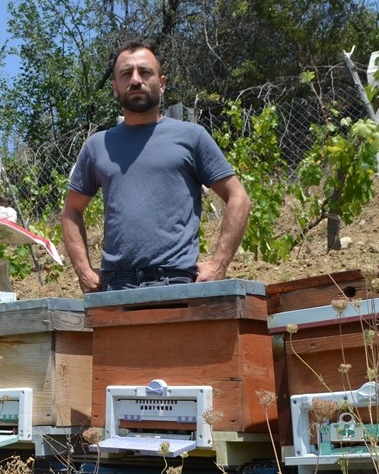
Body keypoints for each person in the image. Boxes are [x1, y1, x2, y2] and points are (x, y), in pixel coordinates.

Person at [61, 41, 251, 292]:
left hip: (177, 281)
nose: (136, 80)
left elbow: (239, 198)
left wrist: (218, 265)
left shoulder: (192, 137)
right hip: (116, 286)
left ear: (161, 84)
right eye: (126, 74)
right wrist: (84, 273)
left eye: (145, 72)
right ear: (115, 88)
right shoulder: (97, 146)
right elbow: (71, 212)